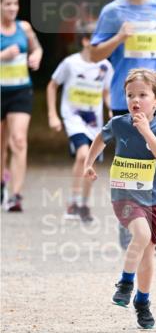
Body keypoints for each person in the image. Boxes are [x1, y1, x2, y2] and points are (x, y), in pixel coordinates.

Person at [89, 0, 156, 248]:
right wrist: (118, 37)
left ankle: (150, 221)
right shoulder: (112, 11)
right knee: (129, 161)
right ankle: (129, 223)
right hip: (124, 97)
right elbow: (94, 54)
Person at [83, 69, 156, 330]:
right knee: (141, 235)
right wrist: (89, 163)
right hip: (123, 195)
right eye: (130, 95)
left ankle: (143, 302)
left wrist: (146, 132)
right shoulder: (119, 123)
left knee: (147, 253)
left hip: (152, 199)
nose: (135, 100)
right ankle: (125, 283)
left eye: (143, 95)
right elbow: (101, 138)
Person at [46, 21, 113, 221]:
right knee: (83, 154)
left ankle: (83, 204)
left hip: (94, 122)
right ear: (85, 41)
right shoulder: (70, 63)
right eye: (99, 41)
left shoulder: (106, 66)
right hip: (73, 117)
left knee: (90, 161)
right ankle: (73, 202)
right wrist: (52, 115)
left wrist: (111, 109)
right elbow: (52, 86)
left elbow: (106, 91)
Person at [0, 0, 43, 212]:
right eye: (7, 3)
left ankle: (16, 195)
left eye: (15, 3)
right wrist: (3, 56)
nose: (12, 8)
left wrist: (35, 56)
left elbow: (37, 48)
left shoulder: (24, 27)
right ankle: (1, 185)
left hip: (20, 92)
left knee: (18, 140)